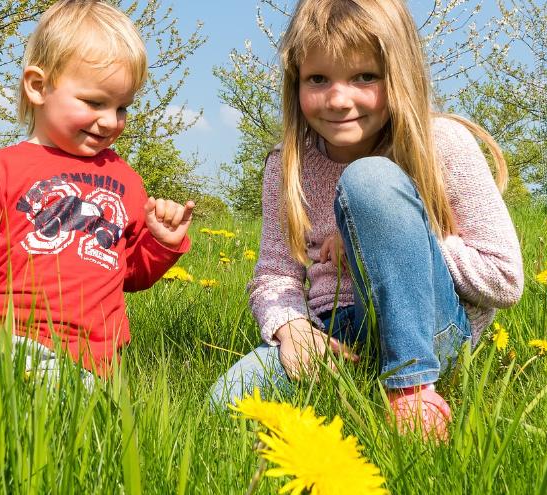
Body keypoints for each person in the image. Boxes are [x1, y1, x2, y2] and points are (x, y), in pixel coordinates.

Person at [208, 0, 523, 440]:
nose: (339, 99)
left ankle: (412, 387)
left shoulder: (444, 144)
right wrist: (292, 328)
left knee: (369, 180)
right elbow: (274, 275)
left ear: (400, 75)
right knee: (225, 404)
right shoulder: (286, 166)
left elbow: (504, 279)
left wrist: (391, 237)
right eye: (318, 79)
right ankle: (359, 378)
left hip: (432, 328)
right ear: (295, 81)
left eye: (364, 77)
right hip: (333, 331)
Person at [0, 0, 194, 398]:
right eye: (94, 102)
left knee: (60, 411)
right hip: (7, 344)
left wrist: (162, 243)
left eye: (122, 107)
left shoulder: (125, 181)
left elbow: (127, 274)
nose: (111, 120)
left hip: (93, 364)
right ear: (38, 87)